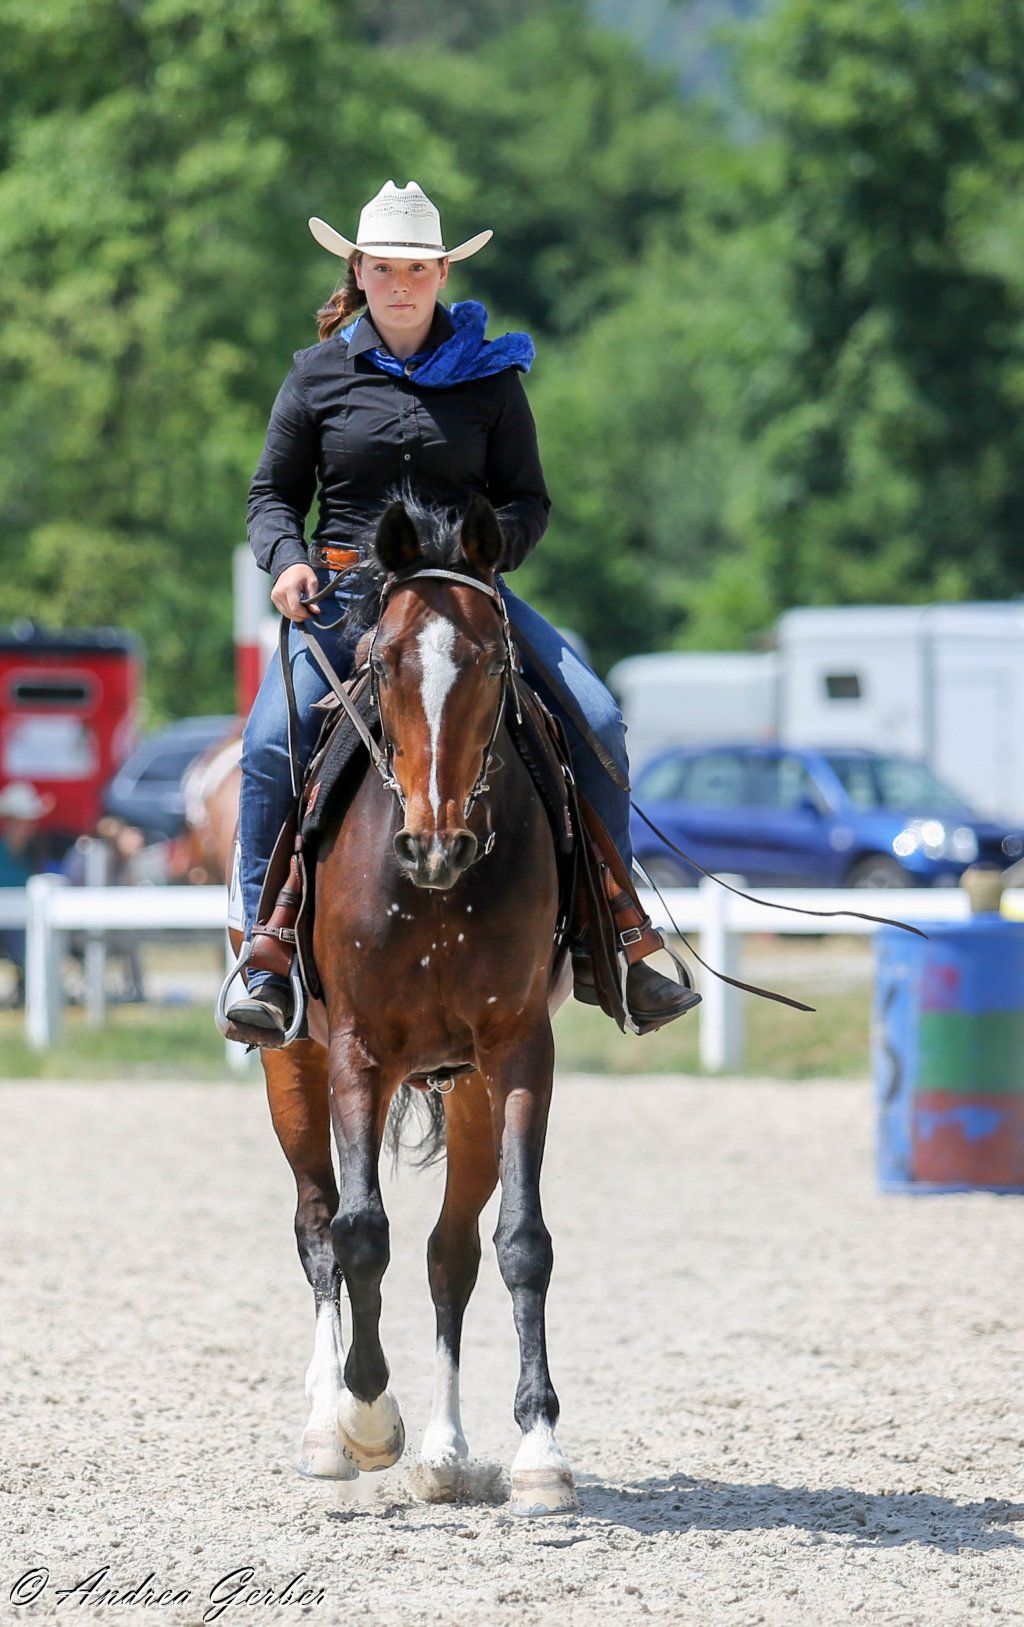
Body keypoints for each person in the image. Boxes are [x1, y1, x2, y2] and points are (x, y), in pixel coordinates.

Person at [226, 179, 699, 1043]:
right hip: (340, 600)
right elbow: (271, 496)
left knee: (596, 717)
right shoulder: (316, 376)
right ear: (358, 271)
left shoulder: (492, 378)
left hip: (466, 602)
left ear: (442, 272)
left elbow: (528, 502)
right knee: (264, 746)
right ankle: (265, 954)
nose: (401, 282)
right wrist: (286, 561)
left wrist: (486, 551)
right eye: (384, 267)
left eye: (418, 267)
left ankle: (617, 940)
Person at [0, 781, 53, 996]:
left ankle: (36, 989)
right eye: (22, 821)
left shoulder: (32, 853)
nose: (27, 827)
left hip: (24, 921)